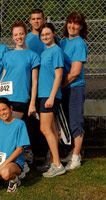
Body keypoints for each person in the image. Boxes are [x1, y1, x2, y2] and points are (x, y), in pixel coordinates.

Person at [60, 12, 88, 171]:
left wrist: (59, 86)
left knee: (76, 122)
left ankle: (76, 157)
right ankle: (72, 152)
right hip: (65, 88)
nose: (72, 26)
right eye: (70, 22)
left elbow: (75, 71)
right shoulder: (63, 43)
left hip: (75, 87)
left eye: (76, 24)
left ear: (81, 26)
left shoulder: (79, 43)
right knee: (68, 122)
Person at [38, 23, 65, 178]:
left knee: (45, 129)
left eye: (48, 34)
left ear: (54, 33)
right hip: (44, 95)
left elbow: (59, 75)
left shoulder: (56, 51)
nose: (45, 37)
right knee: (52, 130)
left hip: (50, 96)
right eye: (43, 34)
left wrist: (52, 96)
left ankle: (57, 164)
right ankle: (55, 161)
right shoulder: (45, 51)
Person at [0, 21, 40, 120]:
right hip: (4, 98)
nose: (19, 37)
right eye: (16, 34)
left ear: (25, 34)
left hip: (20, 98)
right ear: (12, 37)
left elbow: (34, 81)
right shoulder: (7, 55)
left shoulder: (33, 56)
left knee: (12, 128)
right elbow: (3, 77)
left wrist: (32, 103)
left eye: (21, 33)